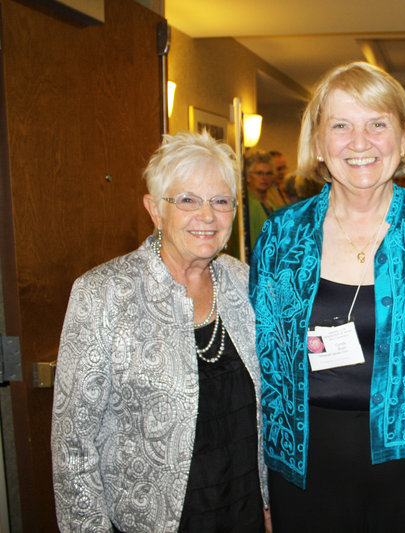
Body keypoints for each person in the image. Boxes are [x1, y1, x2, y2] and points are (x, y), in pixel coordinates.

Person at [249, 61, 405, 533]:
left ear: (402, 137)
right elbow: (258, 366)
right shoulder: (281, 234)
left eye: (377, 124)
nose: (359, 143)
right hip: (302, 465)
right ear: (318, 142)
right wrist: (259, 484)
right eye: (341, 125)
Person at [51, 131, 269, 532]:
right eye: (187, 200)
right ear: (154, 209)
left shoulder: (245, 283)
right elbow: (73, 449)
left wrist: (271, 505)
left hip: (243, 513)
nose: (207, 216)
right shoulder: (103, 293)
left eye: (221, 201)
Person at [229, 148, 275, 262]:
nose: (264, 178)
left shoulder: (271, 204)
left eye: (268, 173)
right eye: (259, 173)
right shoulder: (247, 205)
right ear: (248, 176)